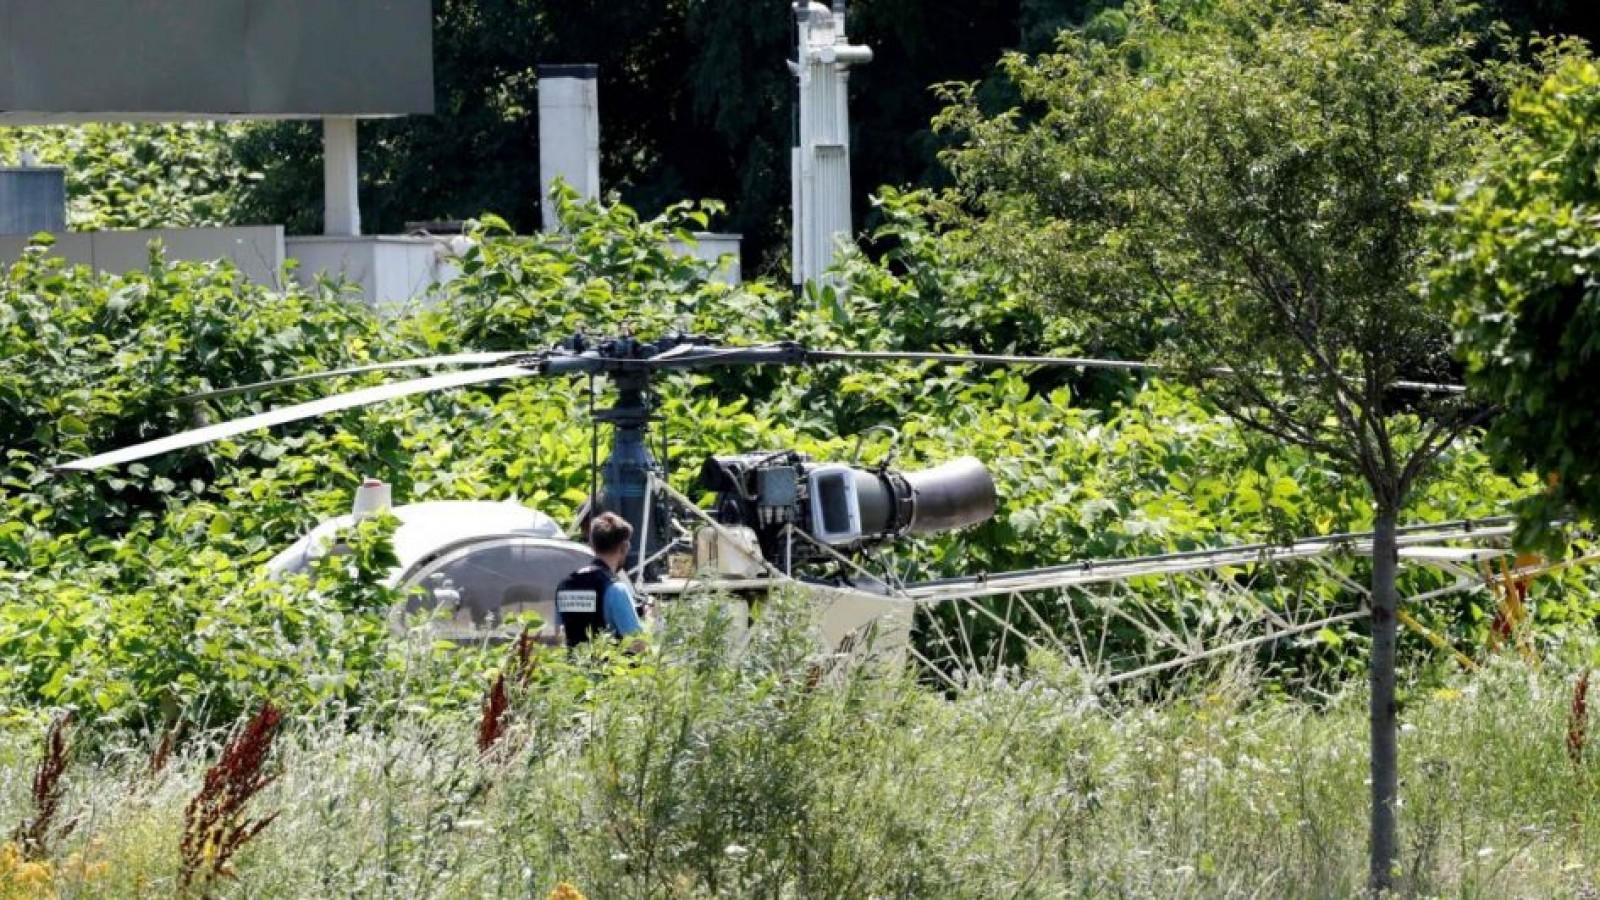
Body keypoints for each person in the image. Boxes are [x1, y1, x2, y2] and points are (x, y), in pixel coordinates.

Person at [554, 512, 645, 649]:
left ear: (592, 546)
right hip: (608, 668)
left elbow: (559, 637)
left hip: (575, 667)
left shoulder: (565, 585)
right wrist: (650, 618)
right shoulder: (615, 588)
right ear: (625, 547)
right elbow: (637, 645)